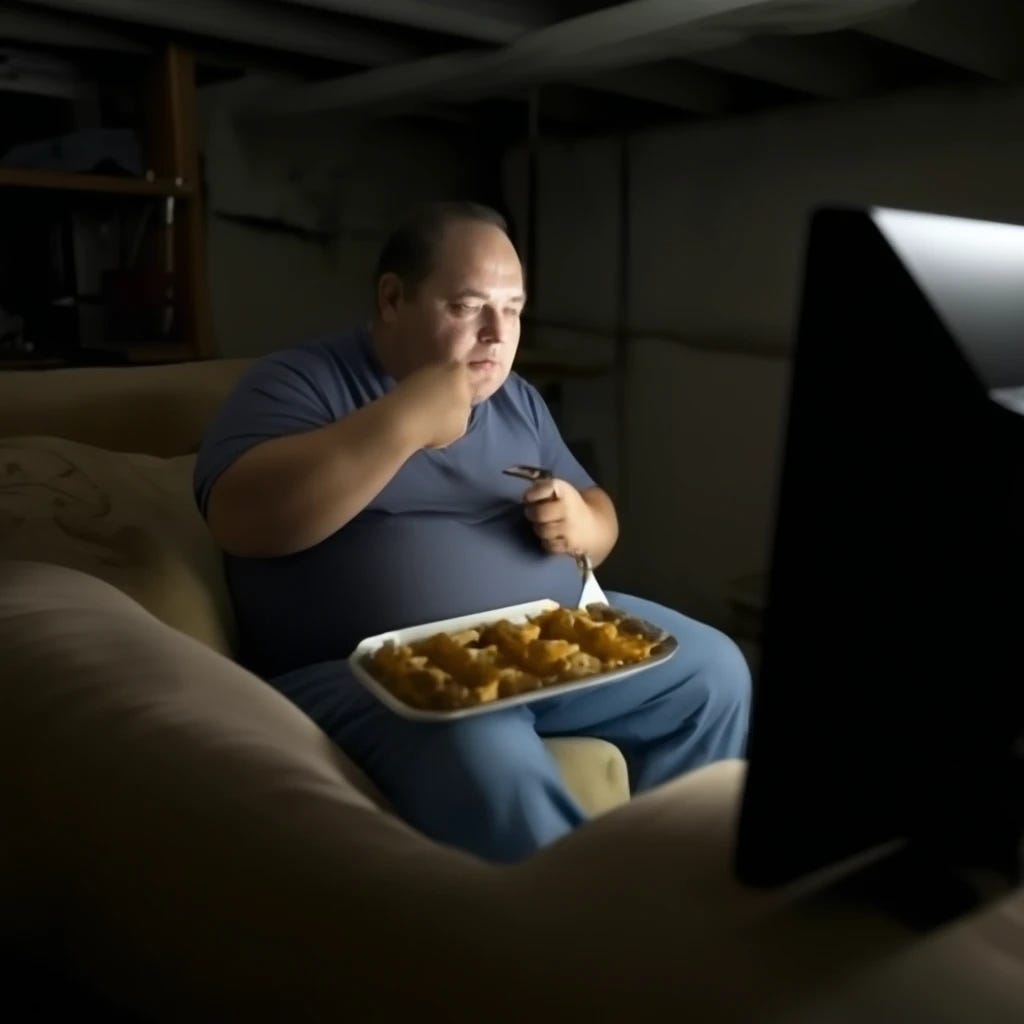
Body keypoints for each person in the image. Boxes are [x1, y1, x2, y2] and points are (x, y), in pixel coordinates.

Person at [194, 200, 750, 863]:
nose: (496, 333)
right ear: (394, 299)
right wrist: (403, 422)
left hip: (538, 644)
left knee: (713, 671)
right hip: (369, 670)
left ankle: (677, 887)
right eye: (467, 306)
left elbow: (600, 523)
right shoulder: (298, 383)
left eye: (512, 309)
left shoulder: (516, 398)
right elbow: (241, 518)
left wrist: (582, 521)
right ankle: (571, 944)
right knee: (472, 734)